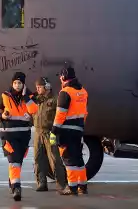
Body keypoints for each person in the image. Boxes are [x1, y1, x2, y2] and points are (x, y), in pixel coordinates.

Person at [0, 71, 37, 201]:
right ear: (12, 83)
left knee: (19, 161)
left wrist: (26, 98)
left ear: (23, 84)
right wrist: (2, 116)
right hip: (8, 134)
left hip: (23, 134)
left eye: (20, 83)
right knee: (14, 161)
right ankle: (17, 187)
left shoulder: (29, 95)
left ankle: (12, 181)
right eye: (15, 83)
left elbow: (34, 110)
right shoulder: (5, 95)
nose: (17, 85)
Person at [50, 66, 89, 195]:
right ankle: (82, 186)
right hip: (78, 129)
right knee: (78, 158)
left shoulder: (65, 92)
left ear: (63, 77)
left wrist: (54, 130)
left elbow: (61, 114)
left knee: (68, 159)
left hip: (66, 130)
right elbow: (85, 112)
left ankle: (71, 187)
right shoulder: (83, 91)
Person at [31, 76, 69, 192]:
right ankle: (41, 183)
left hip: (50, 133)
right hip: (38, 133)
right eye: (37, 87)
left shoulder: (54, 100)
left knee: (54, 158)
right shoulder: (37, 100)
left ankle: (61, 184)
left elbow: (60, 116)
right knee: (38, 158)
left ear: (47, 87)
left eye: (40, 87)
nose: (38, 89)